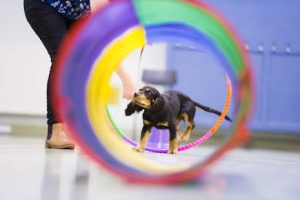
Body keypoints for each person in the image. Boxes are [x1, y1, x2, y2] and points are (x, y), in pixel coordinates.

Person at [24, 0, 135, 149]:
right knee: (62, 58)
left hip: (73, 10)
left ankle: (86, 129)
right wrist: (126, 78)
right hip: (44, 4)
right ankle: (55, 133)